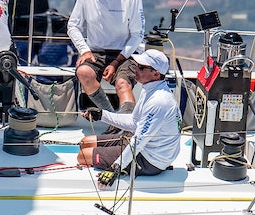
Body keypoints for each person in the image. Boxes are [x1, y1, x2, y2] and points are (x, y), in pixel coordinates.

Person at [76, 49, 181, 177]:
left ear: (156, 74)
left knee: (83, 156)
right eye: (136, 65)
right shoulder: (149, 89)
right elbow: (134, 122)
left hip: (151, 160)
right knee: (85, 142)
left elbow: (139, 141)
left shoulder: (159, 101)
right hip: (141, 145)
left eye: (141, 67)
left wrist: (117, 166)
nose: (135, 69)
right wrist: (102, 115)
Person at [67, 0, 144, 113]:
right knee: (83, 72)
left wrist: (115, 63)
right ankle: (111, 118)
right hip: (95, 52)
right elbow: (73, 25)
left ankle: (127, 122)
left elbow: (137, 34)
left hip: (125, 54)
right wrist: (84, 50)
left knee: (123, 83)